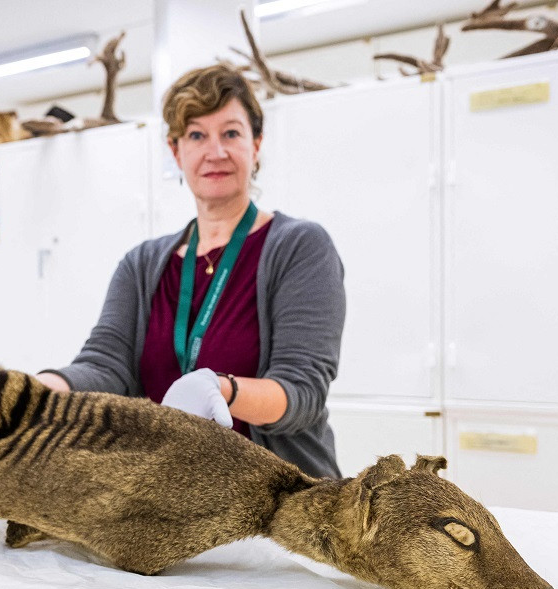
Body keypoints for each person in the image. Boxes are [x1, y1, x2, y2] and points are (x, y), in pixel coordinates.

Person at [37, 64, 346, 479]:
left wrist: (222, 390)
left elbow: (301, 392)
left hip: (285, 506)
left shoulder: (300, 247)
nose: (215, 152)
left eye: (231, 133)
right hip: (177, 503)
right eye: (197, 135)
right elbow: (105, 366)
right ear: (175, 149)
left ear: (256, 145)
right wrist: (35, 391)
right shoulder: (141, 264)